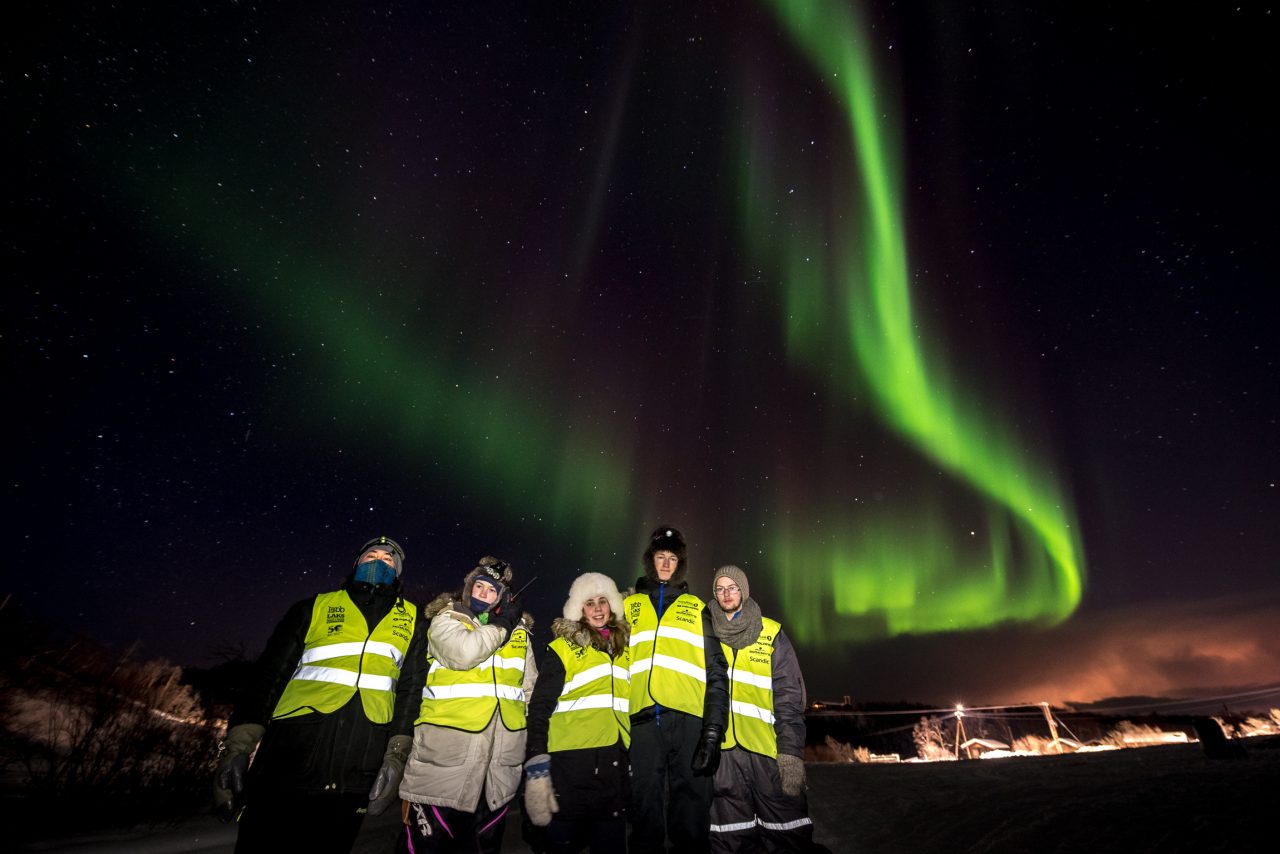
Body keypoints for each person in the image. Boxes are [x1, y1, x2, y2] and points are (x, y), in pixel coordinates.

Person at [213, 536, 426, 854]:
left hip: (358, 767)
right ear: (357, 563)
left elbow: (411, 692)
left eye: (388, 558)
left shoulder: (414, 620)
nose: (379, 561)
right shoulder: (313, 606)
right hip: (287, 761)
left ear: (398, 572)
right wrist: (237, 747)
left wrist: (396, 756)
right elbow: (269, 676)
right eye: (371, 555)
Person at [397, 556, 537, 853]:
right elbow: (464, 653)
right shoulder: (446, 619)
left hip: (498, 772)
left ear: (503, 596)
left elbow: (529, 689)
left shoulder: (519, 634)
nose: (484, 593)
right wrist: (502, 624)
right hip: (443, 768)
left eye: (492, 589)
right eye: (479, 586)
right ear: (468, 588)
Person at [624, 525, 730, 853]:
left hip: (689, 726)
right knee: (644, 817)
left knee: (692, 819)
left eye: (672, 558)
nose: (666, 563)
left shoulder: (698, 608)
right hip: (641, 724)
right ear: (650, 560)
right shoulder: (627, 607)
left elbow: (716, 672)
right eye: (660, 556)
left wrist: (713, 731)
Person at [706, 565, 813, 853]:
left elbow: (789, 700)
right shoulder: (706, 634)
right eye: (720, 588)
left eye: (733, 587)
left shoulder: (771, 632)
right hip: (723, 756)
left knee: (786, 833)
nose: (726, 594)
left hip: (767, 752)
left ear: (744, 590)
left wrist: (791, 754)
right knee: (729, 837)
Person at [524, 572, 632, 853]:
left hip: (613, 766)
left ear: (612, 606)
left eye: (603, 601)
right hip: (570, 768)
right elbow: (539, 706)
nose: (597, 609)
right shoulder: (563, 649)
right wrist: (536, 756)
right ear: (579, 610)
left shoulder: (625, 652)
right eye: (589, 603)